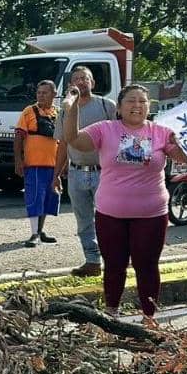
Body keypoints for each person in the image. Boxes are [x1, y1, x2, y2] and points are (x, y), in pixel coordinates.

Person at [64, 84, 187, 322]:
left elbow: (184, 159)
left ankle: (149, 317)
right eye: (131, 101)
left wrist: (181, 143)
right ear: (119, 108)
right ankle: (111, 312)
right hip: (111, 212)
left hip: (151, 213)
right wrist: (71, 108)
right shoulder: (105, 129)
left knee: (147, 265)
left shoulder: (162, 132)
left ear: (149, 107)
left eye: (142, 101)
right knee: (114, 264)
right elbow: (73, 140)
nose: (137, 106)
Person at [54, 66, 117, 277]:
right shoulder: (66, 109)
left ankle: (113, 260)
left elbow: (120, 138)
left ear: (93, 83)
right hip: (76, 173)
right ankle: (92, 261)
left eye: (85, 78)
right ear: (71, 84)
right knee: (83, 221)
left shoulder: (106, 106)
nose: (81, 82)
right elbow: (63, 144)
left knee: (108, 219)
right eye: (76, 79)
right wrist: (56, 174)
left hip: (104, 173)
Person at [14, 80, 60, 247]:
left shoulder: (58, 113)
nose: (41, 95)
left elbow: (63, 140)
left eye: (45, 92)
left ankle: (40, 231)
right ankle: (34, 233)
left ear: (54, 94)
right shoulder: (29, 111)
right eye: (39, 92)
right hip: (33, 165)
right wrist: (18, 160)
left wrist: (63, 165)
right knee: (34, 198)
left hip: (53, 165)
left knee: (48, 198)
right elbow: (18, 136)